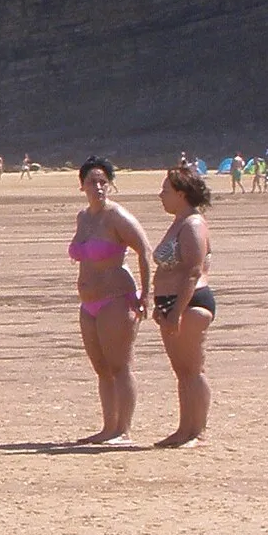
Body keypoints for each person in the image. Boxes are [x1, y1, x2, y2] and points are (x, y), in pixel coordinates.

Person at [69, 156, 152, 445]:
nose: (99, 186)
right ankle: (108, 428)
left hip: (116, 299)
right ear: (82, 186)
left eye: (104, 181)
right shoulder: (83, 218)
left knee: (120, 366)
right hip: (88, 302)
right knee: (102, 369)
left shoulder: (117, 217)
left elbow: (144, 251)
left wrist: (146, 293)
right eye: (92, 181)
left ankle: (123, 430)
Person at [150, 166, 215, 447]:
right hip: (170, 303)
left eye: (165, 190)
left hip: (189, 303)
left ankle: (197, 432)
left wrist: (176, 311)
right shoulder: (178, 221)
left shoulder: (193, 224)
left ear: (180, 193)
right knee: (181, 371)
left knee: (193, 369)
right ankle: (183, 429)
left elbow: (192, 271)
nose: (160, 195)